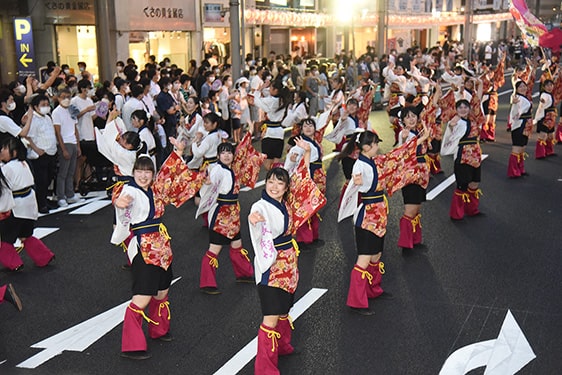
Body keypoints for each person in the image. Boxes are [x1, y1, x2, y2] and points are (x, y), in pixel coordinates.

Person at [112, 137, 197, 360]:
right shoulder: (129, 190)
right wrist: (120, 204)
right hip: (143, 247)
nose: (143, 175)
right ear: (133, 172)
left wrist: (178, 151)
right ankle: (131, 345)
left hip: (162, 246)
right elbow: (121, 200)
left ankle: (158, 329)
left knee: (162, 291)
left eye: (147, 171)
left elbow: (171, 176)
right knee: (142, 296)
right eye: (139, 171)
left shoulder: (156, 189)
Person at [248, 140, 326, 374]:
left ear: (285, 188)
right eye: (270, 181)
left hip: (289, 263)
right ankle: (265, 368)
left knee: (284, 309)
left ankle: (282, 345)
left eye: (279, 183)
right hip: (271, 267)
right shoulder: (260, 205)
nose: (273, 186)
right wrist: (253, 219)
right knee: (270, 316)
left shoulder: (288, 203)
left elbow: (304, 178)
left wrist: (309, 152)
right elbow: (255, 214)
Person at [339, 128, 429, 315]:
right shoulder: (359, 166)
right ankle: (356, 301)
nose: (378, 147)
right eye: (376, 144)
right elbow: (357, 185)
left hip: (379, 214)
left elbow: (396, 155)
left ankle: (373, 289)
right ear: (367, 147)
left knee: (376, 255)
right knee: (364, 257)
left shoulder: (375, 161)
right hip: (367, 216)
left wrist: (420, 141)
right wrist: (356, 182)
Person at [198, 142, 254, 294]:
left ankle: (244, 273)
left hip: (233, 213)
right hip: (221, 215)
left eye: (229, 152)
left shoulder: (229, 169)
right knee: (214, 249)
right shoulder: (217, 169)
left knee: (237, 244)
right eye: (223, 153)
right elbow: (211, 180)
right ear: (218, 156)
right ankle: (207, 283)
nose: (227, 155)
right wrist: (209, 182)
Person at [0, 136, 55, 272]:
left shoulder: (7, 168)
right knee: (26, 235)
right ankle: (44, 256)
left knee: (7, 237)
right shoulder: (24, 164)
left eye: (5, 148)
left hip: (15, 207)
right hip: (29, 205)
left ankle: (13, 262)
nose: (1, 151)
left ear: (15, 152)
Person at [285, 118, 326, 248]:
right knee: (306, 205)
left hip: (317, 175)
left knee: (313, 206)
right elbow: (291, 161)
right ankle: (304, 240)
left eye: (311, 126)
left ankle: (313, 236)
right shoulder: (300, 144)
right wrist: (292, 160)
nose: (308, 128)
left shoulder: (315, 141)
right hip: (308, 175)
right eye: (305, 126)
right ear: (301, 129)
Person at [447, 84, 486, 220]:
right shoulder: (455, 121)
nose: (463, 110)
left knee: (474, 183)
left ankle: (472, 209)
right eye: (460, 108)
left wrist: (479, 84)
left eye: (465, 107)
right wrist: (452, 125)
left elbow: (478, 100)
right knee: (462, 185)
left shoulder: (474, 120)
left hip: (475, 155)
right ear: (456, 110)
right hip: (462, 156)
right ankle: (457, 213)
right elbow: (450, 134)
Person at [396, 108, 430, 250]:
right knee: (410, 210)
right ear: (402, 120)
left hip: (421, 175)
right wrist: (404, 139)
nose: (411, 119)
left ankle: (415, 239)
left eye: (413, 116)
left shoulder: (416, 131)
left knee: (416, 208)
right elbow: (403, 148)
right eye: (407, 117)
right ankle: (405, 243)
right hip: (410, 175)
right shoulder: (405, 134)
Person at [25, 94, 58, 214]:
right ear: (35, 107)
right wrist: (37, 149)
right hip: (40, 154)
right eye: (43, 105)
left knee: (49, 177)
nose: (46, 107)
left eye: (47, 105)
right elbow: (28, 137)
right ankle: (41, 204)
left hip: (51, 152)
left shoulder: (47, 117)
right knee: (41, 180)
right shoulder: (33, 119)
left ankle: (44, 200)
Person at [250, 79, 293, 170]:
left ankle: (271, 177)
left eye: (271, 88)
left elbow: (256, 100)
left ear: (275, 90)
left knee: (267, 162)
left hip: (269, 132)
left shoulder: (271, 101)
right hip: (279, 132)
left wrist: (261, 88)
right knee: (276, 161)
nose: (268, 89)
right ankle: (275, 177)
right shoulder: (283, 100)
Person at [52, 89, 81, 208]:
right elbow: (58, 132)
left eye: (68, 97)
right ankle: (61, 197)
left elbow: (75, 128)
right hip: (65, 143)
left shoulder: (71, 110)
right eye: (63, 97)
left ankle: (70, 194)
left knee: (71, 171)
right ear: (58, 98)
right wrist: (63, 148)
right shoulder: (56, 112)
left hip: (73, 142)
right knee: (63, 173)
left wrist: (78, 145)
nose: (66, 99)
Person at [507, 81, 533, 177]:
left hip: (526, 125)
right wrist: (513, 104)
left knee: (522, 148)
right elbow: (514, 112)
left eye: (524, 86)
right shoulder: (517, 98)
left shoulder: (526, 97)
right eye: (520, 87)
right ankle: (513, 170)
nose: (523, 88)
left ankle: (520, 168)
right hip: (519, 125)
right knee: (517, 148)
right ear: (516, 89)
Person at [533, 79, 557, 159]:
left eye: (551, 85)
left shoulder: (551, 94)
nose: (549, 87)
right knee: (543, 135)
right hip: (544, 118)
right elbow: (542, 101)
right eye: (547, 85)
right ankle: (540, 153)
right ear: (544, 87)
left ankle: (549, 151)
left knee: (550, 135)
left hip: (551, 118)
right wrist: (537, 119)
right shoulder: (544, 95)